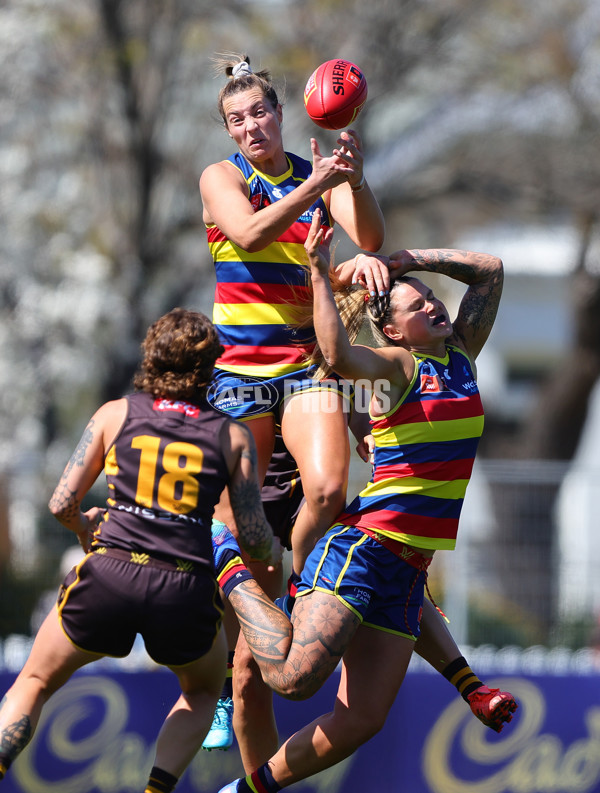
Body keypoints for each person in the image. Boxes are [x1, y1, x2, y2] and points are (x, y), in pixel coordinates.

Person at [216, 211, 515, 793]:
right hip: (366, 547)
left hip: (407, 567)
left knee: (360, 721)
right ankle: (227, 557)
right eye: (417, 305)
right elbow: (335, 348)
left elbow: (490, 271)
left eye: (432, 299)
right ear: (396, 332)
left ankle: (245, 790)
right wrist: (320, 272)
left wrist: (406, 262)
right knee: (295, 680)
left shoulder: (460, 358)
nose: (432, 305)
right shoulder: (397, 368)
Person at [0, 308, 281, 792]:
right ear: (211, 367)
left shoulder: (117, 413)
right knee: (201, 693)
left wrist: (85, 527)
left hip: (111, 571)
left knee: (35, 680)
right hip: (185, 586)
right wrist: (269, 545)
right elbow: (255, 536)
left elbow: (60, 503)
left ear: (151, 356)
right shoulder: (231, 436)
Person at [198, 51, 386, 759]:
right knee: (241, 533)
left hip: (303, 361)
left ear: (281, 115)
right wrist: (317, 183)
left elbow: (368, 237)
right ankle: (223, 682)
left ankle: (293, 588)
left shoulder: (310, 173)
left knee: (333, 487)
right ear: (228, 127)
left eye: (260, 113)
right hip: (241, 370)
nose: (250, 126)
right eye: (236, 119)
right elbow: (248, 234)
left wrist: (352, 177)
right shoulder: (221, 178)